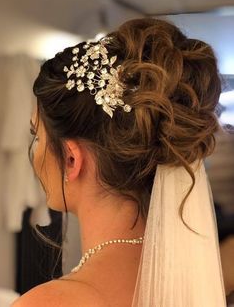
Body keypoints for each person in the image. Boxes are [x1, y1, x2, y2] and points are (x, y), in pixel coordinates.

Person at [12, 18, 226, 306]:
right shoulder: (186, 278)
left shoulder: (47, 303)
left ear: (72, 159)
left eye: (37, 136)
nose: (35, 154)